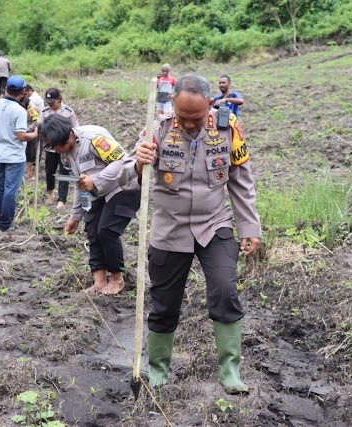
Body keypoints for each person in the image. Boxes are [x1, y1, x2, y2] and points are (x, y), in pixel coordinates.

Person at [117, 75, 261, 394]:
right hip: (170, 228)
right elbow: (127, 174)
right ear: (173, 107)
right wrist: (140, 164)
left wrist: (250, 227)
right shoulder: (157, 128)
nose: (188, 123)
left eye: (195, 118)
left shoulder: (228, 128)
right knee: (165, 304)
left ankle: (230, 371)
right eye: (182, 117)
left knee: (225, 291)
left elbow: (241, 181)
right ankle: (157, 369)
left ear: (209, 106)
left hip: (215, 224)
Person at [40, 114, 140, 296]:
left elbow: (122, 162)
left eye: (58, 145)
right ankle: (99, 282)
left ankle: (117, 279)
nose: (57, 150)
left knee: (107, 230)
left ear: (66, 135)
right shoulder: (66, 154)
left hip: (124, 187)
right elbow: (80, 184)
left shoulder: (94, 139)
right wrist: (75, 217)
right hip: (99, 193)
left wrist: (95, 179)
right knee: (93, 231)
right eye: (53, 147)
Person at [0, 75, 38, 232]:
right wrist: (34, 134)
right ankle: (6, 224)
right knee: (10, 191)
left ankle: (0, 222)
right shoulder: (19, 111)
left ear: (6, 89)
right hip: (14, 157)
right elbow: (21, 136)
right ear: (23, 91)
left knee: (1, 189)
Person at [40, 88, 80, 209]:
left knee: (64, 172)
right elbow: (41, 128)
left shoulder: (68, 112)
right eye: (48, 102)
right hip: (51, 149)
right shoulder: (45, 112)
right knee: (49, 172)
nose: (50, 104)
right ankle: (50, 193)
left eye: (52, 101)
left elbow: (76, 128)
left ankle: (62, 199)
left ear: (59, 99)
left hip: (65, 148)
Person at [23, 85, 46, 179]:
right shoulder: (23, 109)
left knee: (35, 152)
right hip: (28, 133)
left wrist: (27, 129)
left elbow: (36, 121)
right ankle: (29, 171)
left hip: (35, 132)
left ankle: (35, 173)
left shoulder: (31, 108)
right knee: (28, 151)